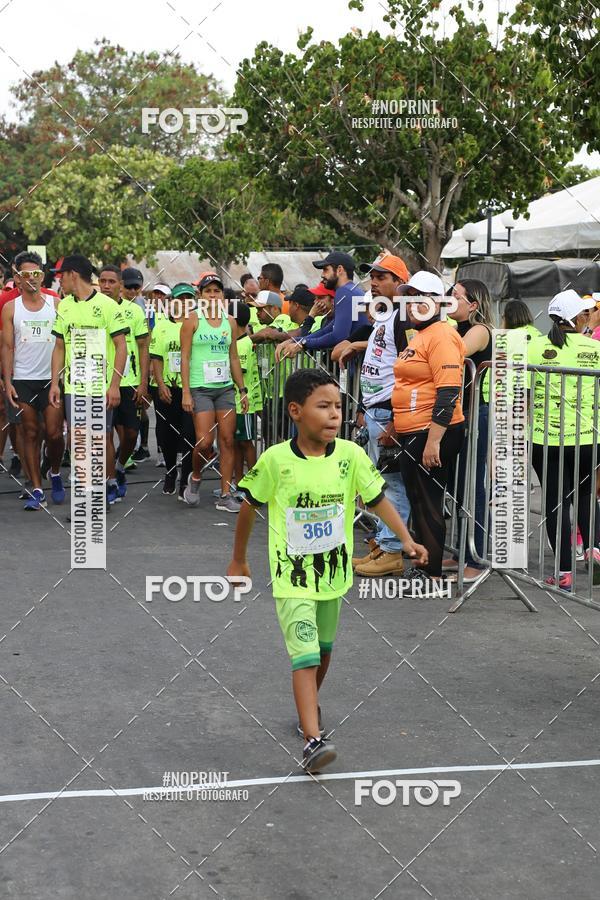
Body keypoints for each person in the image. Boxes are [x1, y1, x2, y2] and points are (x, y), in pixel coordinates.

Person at [227, 368, 427, 773]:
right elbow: (250, 505)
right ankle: (313, 740)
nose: (334, 415)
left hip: (333, 578)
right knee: (304, 656)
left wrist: (405, 539)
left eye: (338, 406)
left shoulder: (350, 456)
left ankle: (308, 710)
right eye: (324, 406)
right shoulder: (276, 461)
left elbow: (377, 499)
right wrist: (239, 559)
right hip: (292, 579)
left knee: (323, 654)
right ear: (296, 411)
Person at [333, 254, 413, 577]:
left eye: (381, 278)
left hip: (390, 410)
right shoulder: (387, 315)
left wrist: (395, 418)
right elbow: (383, 353)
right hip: (376, 406)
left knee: (392, 485)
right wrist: (357, 346)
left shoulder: (404, 317)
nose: (374, 283)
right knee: (380, 482)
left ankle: (392, 550)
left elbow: (410, 367)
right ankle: (383, 544)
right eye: (373, 277)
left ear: (399, 283)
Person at [384, 271, 465, 586]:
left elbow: (448, 391)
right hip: (413, 430)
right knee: (418, 499)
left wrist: (434, 442)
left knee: (429, 500)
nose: (411, 303)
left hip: (432, 431)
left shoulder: (442, 335)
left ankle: (430, 574)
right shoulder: (421, 334)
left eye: (418, 297)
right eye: (408, 297)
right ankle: (424, 565)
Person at [528, 290, 600, 590]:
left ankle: (565, 573)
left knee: (556, 503)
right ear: (579, 318)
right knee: (586, 496)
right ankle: (595, 550)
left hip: (547, 439)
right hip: (587, 438)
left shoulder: (535, 348)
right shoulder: (594, 348)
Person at [49, 254, 129, 506]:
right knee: (78, 441)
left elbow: (121, 347)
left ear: (73, 274)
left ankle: (100, 492)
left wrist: (114, 385)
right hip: (74, 387)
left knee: (97, 441)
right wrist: (54, 383)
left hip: (100, 387)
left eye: (61, 275)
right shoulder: (64, 305)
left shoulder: (107, 306)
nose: (58, 280)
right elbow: (59, 347)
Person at [1, 252, 65, 509]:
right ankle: (37, 488)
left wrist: (59, 379)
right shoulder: (10, 308)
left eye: (36, 274)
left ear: (42, 276)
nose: (31, 280)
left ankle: (56, 472)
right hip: (24, 379)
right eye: (25, 275)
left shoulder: (57, 304)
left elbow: (64, 342)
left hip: (50, 380)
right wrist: (8, 381)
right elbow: (6, 347)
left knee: (53, 434)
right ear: (17, 278)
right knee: (29, 432)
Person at [180, 273, 249, 512]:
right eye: (208, 291)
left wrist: (242, 389)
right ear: (200, 295)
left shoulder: (229, 322)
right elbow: (185, 357)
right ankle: (196, 477)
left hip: (224, 389)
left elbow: (233, 357)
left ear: (222, 295)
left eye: (216, 291)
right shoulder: (192, 320)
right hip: (200, 389)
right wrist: (186, 392)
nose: (212, 295)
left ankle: (225, 493)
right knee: (204, 442)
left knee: (228, 440)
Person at [443, 279, 494, 581]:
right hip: (457, 413)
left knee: (472, 485)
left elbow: (453, 354)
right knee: (457, 484)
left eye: (456, 296)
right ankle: (461, 549)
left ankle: (477, 558)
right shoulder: (452, 328)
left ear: (473, 304)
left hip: (476, 413)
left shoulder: (480, 330)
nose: (450, 299)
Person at [149, 285, 195, 499]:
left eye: (188, 299)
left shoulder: (197, 324)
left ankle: (185, 477)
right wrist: (160, 385)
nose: (184, 303)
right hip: (167, 388)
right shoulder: (161, 326)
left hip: (189, 388)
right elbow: (156, 358)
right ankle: (170, 471)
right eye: (180, 299)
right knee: (166, 434)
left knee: (189, 433)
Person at [277, 251, 368, 359]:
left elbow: (338, 336)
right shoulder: (352, 290)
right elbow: (328, 329)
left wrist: (302, 344)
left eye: (325, 270)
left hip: (357, 367)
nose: (322, 275)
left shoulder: (344, 292)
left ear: (339, 270)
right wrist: (295, 340)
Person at [110, 270, 150, 501]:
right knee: (106, 434)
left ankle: (120, 466)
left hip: (130, 382)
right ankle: (109, 481)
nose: (107, 286)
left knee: (130, 434)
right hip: (104, 382)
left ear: (120, 285)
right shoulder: (97, 310)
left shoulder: (134, 311)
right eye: (102, 282)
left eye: (112, 282)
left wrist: (144, 383)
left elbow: (144, 347)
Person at [228, 301, 260, 489]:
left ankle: (255, 483)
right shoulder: (237, 342)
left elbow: (239, 370)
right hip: (234, 403)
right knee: (236, 443)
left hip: (244, 403)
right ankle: (239, 482)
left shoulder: (244, 344)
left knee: (246, 443)